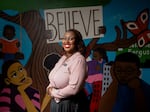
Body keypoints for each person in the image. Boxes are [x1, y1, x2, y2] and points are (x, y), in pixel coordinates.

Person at [45, 29, 89, 112]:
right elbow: (54, 77)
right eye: (64, 38)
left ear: (77, 42)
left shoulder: (79, 60)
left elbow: (74, 89)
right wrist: (49, 87)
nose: (66, 41)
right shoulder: (63, 58)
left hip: (70, 104)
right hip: (57, 102)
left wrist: (54, 93)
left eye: (71, 39)